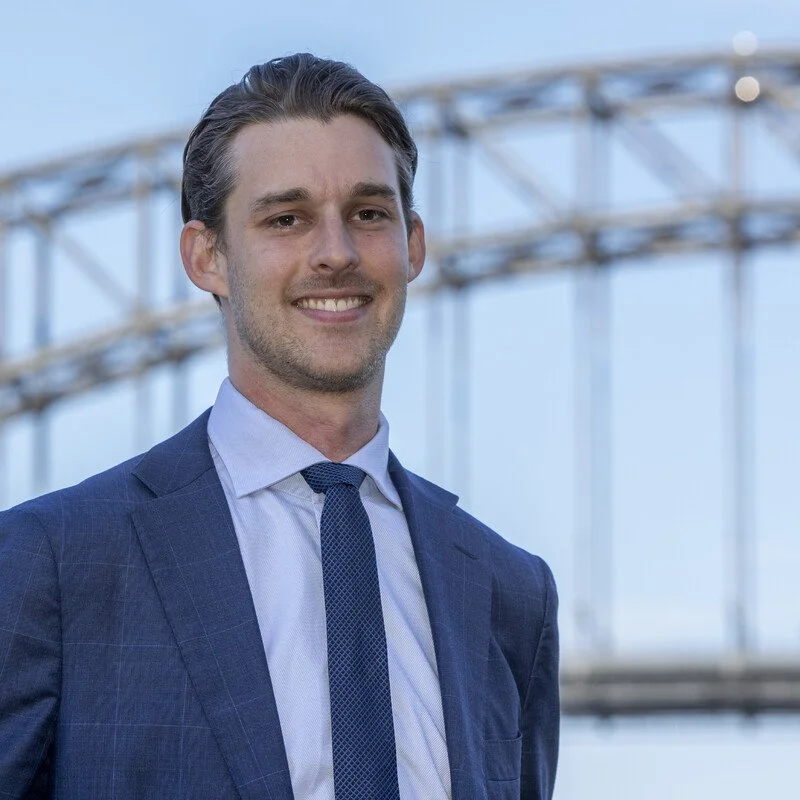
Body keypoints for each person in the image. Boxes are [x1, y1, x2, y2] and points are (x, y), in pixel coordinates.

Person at [0, 53, 559, 799]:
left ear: (413, 245)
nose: (335, 253)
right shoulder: (53, 565)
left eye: (368, 214)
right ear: (207, 257)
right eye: (286, 219)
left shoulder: (509, 593)